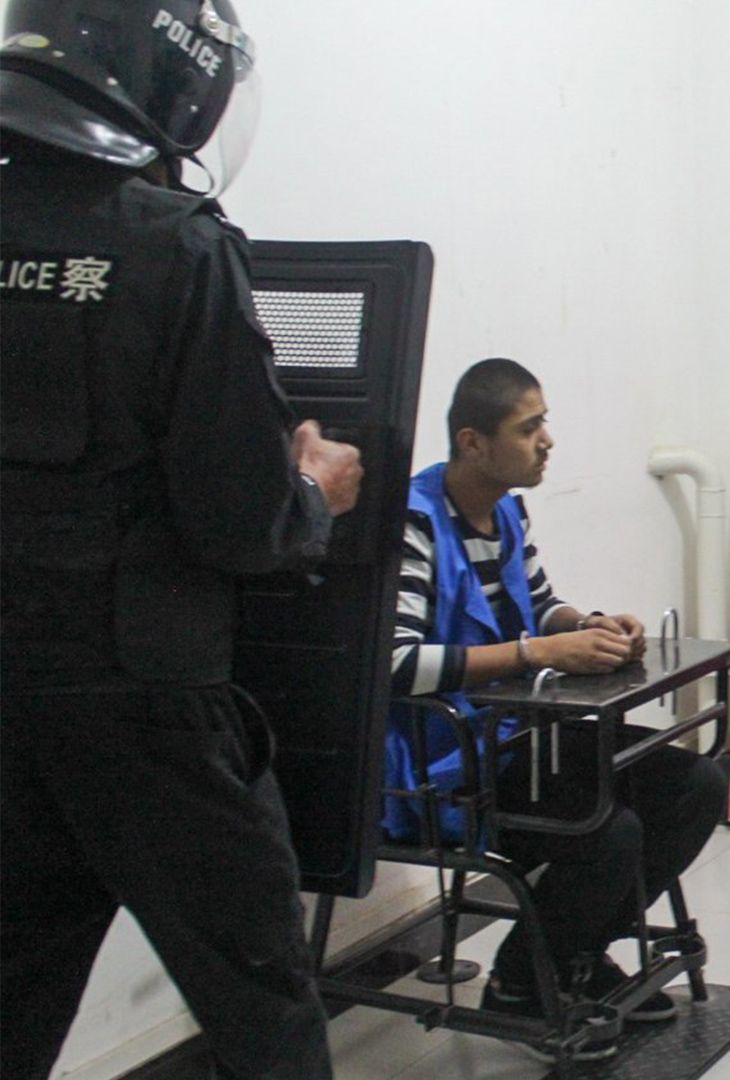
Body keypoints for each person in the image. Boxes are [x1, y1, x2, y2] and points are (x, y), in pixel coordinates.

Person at [0, 2, 364, 1076]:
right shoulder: (172, 247)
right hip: (149, 710)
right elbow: (241, 521)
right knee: (265, 1007)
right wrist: (316, 490)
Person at [387, 357, 728, 1056]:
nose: (548, 441)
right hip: (444, 763)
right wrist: (538, 655)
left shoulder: (507, 508)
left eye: (546, 423)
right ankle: (523, 978)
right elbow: (395, 663)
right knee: (607, 829)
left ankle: (572, 954)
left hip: (516, 737)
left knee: (695, 783)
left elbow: (538, 603)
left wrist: (588, 625)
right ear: (473, 442)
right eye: (529, 427)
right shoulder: (412, 524)